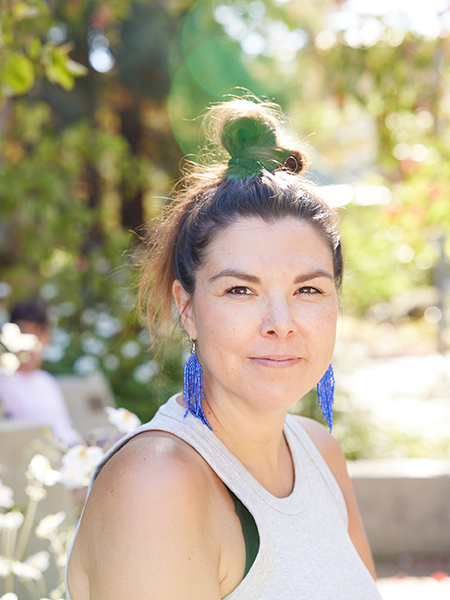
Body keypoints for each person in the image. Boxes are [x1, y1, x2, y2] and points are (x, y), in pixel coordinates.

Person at [66, 97, 382, 599]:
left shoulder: (319, 452)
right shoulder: (156, 484)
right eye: (241, 290)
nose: (281, 324)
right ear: (187, 308)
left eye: (308, 290)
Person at [0, 300, 78, 447]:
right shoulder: (4, 379)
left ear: (47, 337)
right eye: (24, 332)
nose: (30, 342)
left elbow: (68, 433)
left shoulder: (47, 381)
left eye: (37, 333)